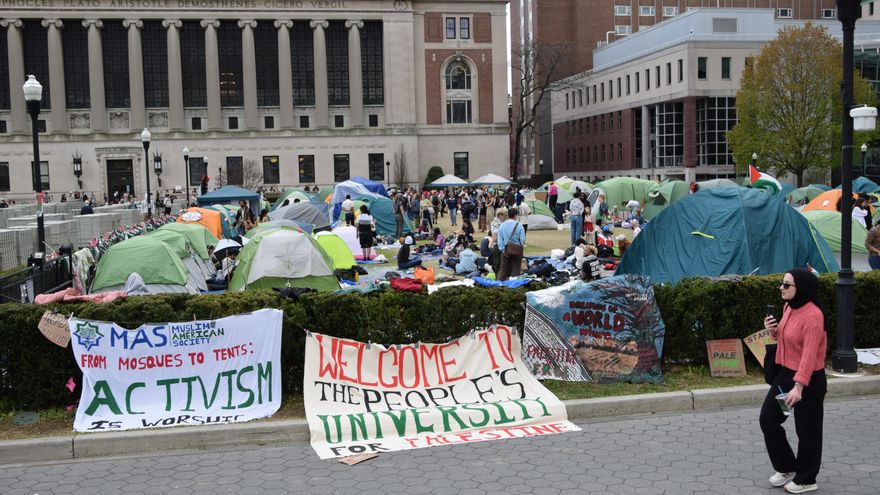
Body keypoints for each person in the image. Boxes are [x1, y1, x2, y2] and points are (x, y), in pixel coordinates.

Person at [760, 268, 827, 494]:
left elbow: (809, 356)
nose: (781, 287)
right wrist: (774, 331)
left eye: (787, 284)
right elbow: (788, 339)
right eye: (782, 283)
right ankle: (787, 467)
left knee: (807, 431)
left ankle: (807, 478)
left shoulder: (813, 316)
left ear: (802, 288)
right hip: (785, 377)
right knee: (769, 419)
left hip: (808, 382)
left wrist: (799, 387)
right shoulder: (790, 306)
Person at [496, 207, 526, 281]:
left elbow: (499, 241)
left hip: (506, 251)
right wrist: (518, 247)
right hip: (517, 251)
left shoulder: (502, 226)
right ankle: (514, 287)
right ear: (515, 215)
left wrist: (503, 249)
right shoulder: (519, 225)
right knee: (516, 270)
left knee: (503, 270)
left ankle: (499, 285)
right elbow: (522, 240)